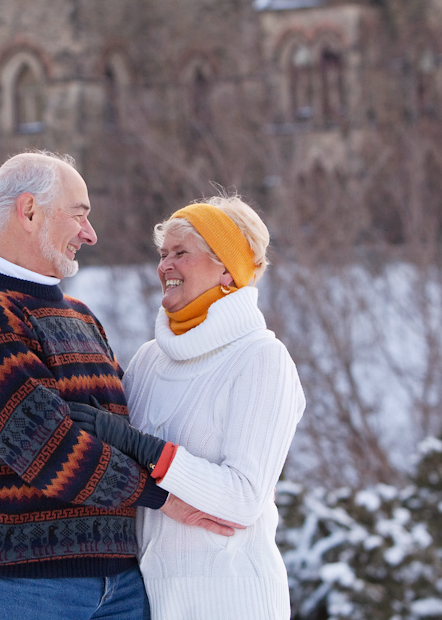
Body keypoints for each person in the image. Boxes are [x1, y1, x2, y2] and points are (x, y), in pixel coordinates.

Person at [0, 152, 230, 620]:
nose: (90, 234)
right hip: (31, 586)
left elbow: (124, 431)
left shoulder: (80, 316)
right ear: (29, 211)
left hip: (122, 579)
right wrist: (162, 497)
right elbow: (47, 447)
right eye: (80, 214)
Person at [67, 195, 305, 620]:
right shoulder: (148, 360)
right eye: (162, 255)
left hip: (233, 601)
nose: (164, 266)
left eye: (181, 253)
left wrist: (146, 449)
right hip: (151, 601)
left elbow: (244, 499)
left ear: (229, 272)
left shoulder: (260, 359)